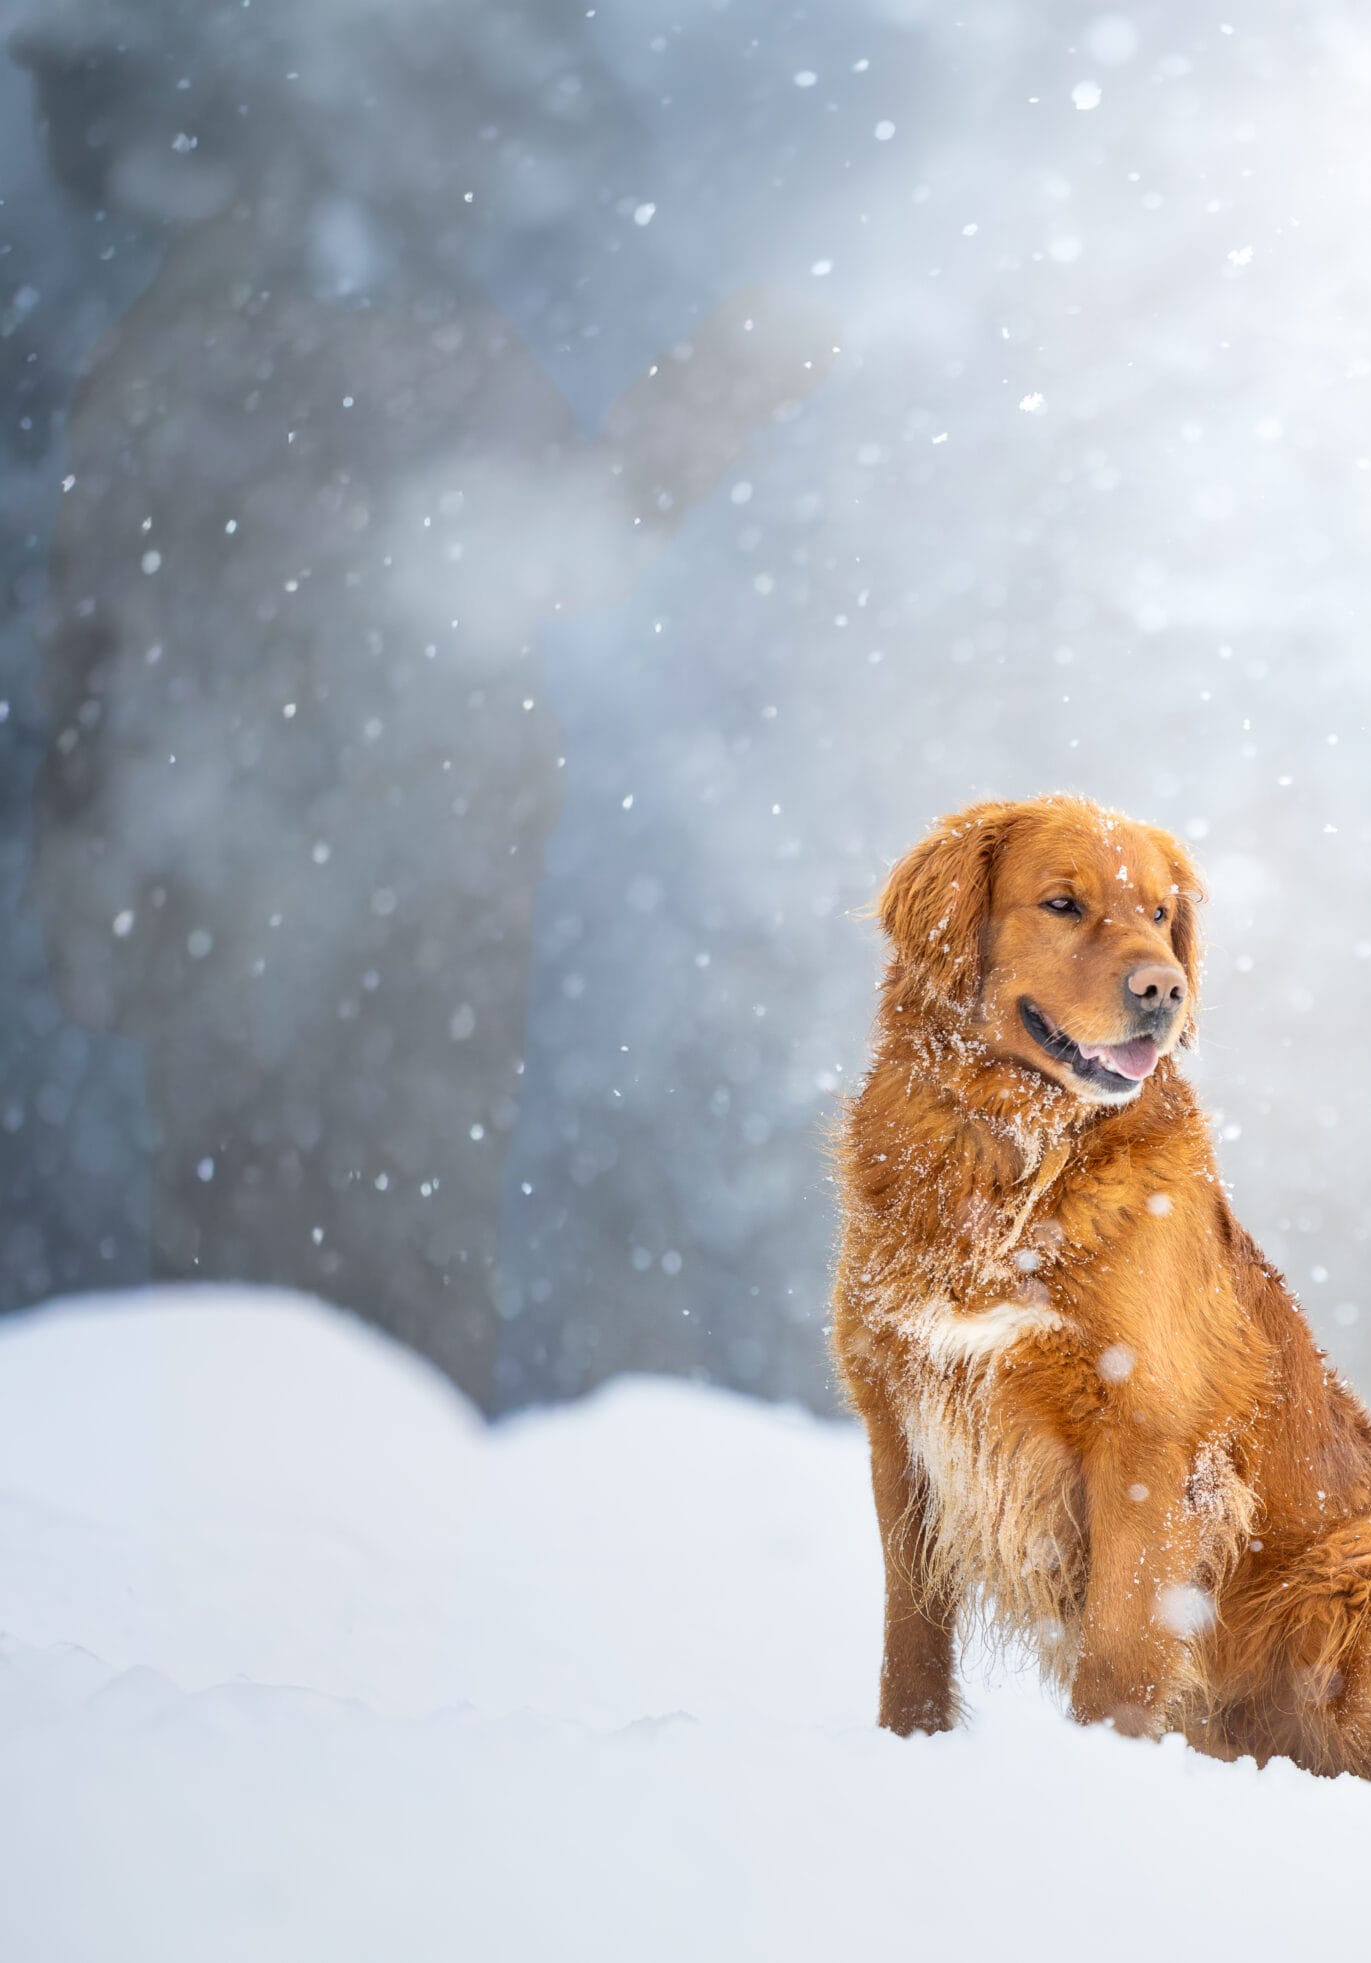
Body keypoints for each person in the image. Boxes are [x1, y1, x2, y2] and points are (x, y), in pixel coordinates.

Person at [13, 0, 833, 1406]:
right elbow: (566, 541)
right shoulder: (246, 365)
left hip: (377, 920)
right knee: (310, 1277)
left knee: (330, 1277)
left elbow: (97, 656)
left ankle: (317, 1521)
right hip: (315, 921)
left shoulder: (205, 359)